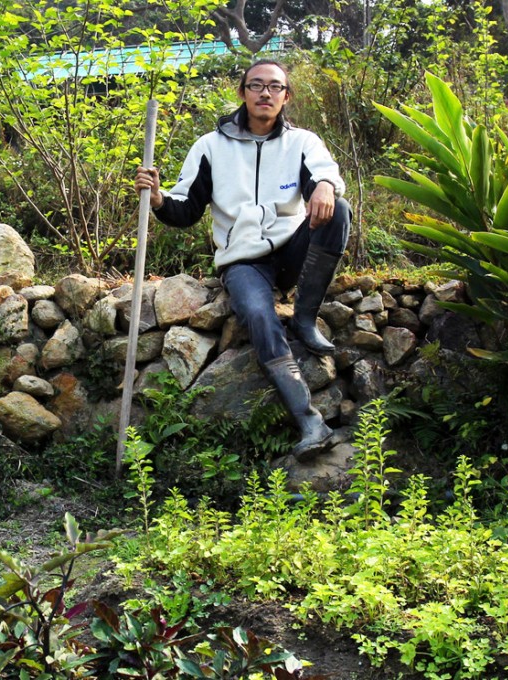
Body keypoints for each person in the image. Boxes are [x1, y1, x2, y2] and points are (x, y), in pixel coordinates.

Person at [135, 59, 350, 462]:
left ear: (287, 96)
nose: (265, 93)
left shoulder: (302, 141)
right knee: (256, 313)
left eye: (274, 86)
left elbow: (325, 173)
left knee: (338, 208)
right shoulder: (210, 146)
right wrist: (160, 198)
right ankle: (309, 421)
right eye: (256, 85)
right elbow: (184, 210)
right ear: (242, 92)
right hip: (243, 261)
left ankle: (304, 318)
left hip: (291, 251)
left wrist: (324, 186)